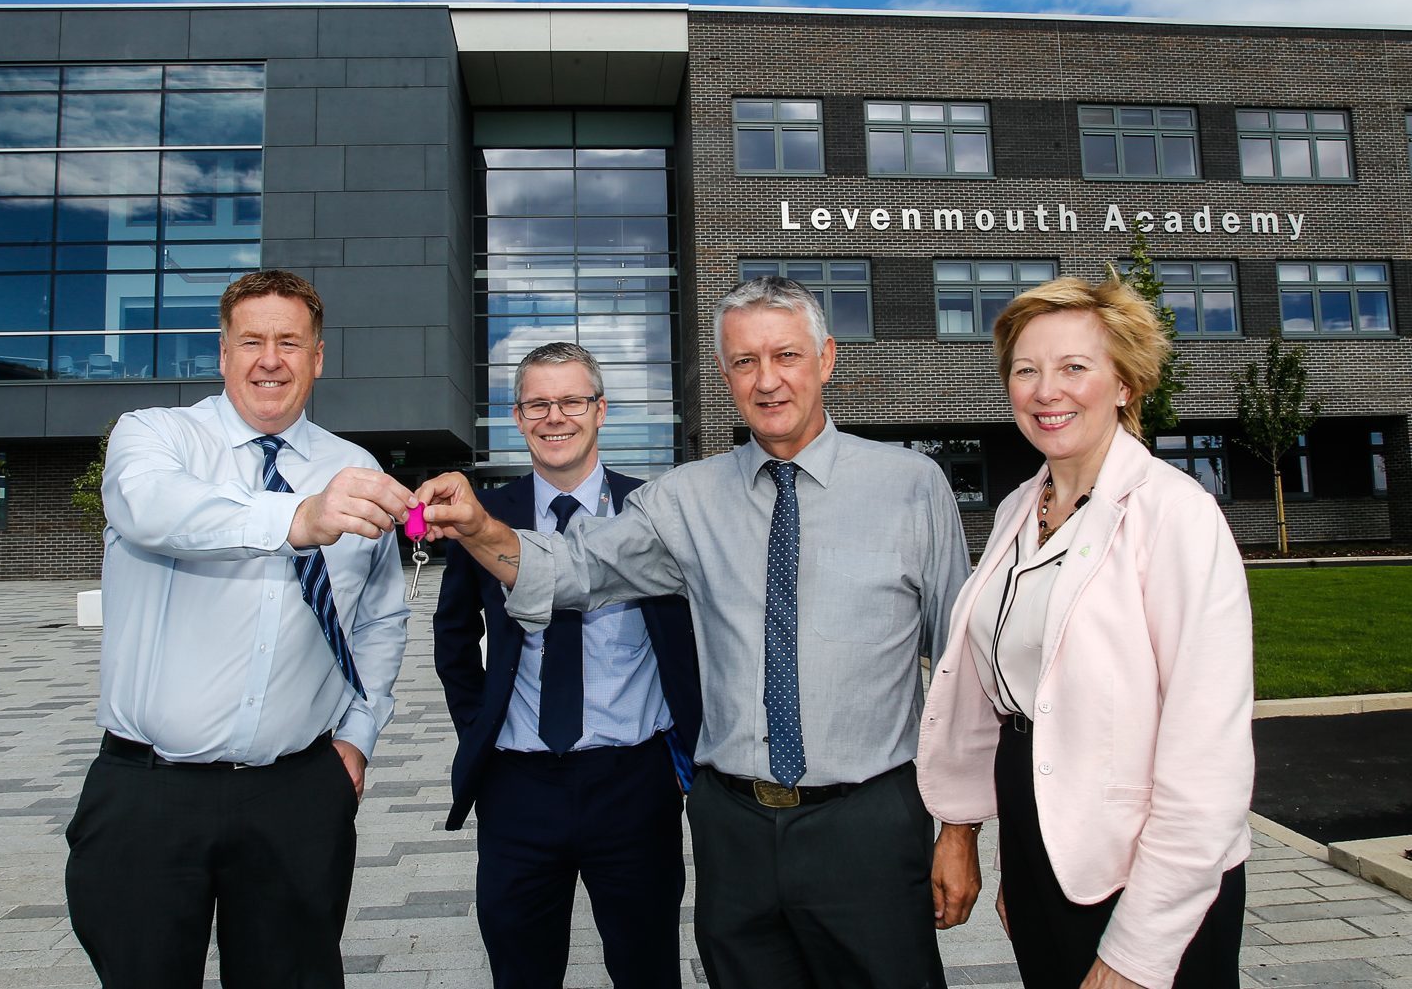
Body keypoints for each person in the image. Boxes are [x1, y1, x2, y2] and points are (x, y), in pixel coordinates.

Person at [418, 276, 972, 988]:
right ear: (724, 375)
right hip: (732, 831)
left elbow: (961, 670)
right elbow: (571, 568)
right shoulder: (681, 498)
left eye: (786, 356)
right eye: (744, 362)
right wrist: (481, 527)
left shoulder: (911, 484)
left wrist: (961, 828)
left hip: (866, 824)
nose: (766, 380)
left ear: (826, 358)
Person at [65, 269, 415, 988]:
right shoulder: (155, 437)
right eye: (250, 340)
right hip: (149, 794)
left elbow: (380, 615)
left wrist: (359, 732)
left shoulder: (355, 468)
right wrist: (296, 518)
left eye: (290, 342)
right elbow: (153, 508)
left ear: (318, 357)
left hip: (296, 795)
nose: (269, 359)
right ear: (222, 352)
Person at [918, 274, 1253, 989]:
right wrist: (987, 841)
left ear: (1125, 382)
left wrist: (1137, 949)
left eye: (1074, 367)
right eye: (1025, 369)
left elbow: (1207, 761)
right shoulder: (1018, 506)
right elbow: (999, 695)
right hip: (1045, 852)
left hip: (1146, 873)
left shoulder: (1175, 515)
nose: (1047, 390)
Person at [434, 341, 701, 989]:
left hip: (633, 785)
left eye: (572, 401)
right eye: (538, 404)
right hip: (517, 788)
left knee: (648, 971)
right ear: (518, 417)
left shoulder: (657, 510)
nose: (556, 416)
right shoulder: (483, 515)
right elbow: (453, 637)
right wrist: (481, 729)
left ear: (600, 409)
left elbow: (694, 638)